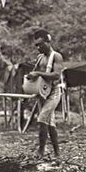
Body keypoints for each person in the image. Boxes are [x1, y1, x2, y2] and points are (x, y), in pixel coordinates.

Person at [27, 29, 63, 159]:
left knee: (42, 119)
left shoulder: (56, 56)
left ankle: (41, 151)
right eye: (36, 45)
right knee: (50, 123)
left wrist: (38, 73)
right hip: (42, 93)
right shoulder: (40, 58)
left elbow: (56, 75)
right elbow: (36, 74)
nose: (38, 47)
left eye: (41, 44)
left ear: (48, 41)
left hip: (54, 93)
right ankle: (57, 152)